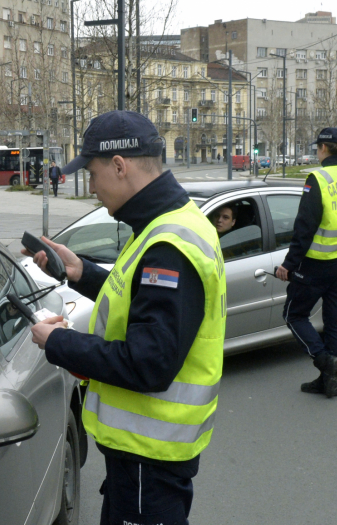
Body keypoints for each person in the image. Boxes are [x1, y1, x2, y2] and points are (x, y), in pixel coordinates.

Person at [25, 110, 226, 525]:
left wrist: (58, 343)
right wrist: (82, 273)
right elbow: (139, 301)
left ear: (119, 166)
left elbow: (148, 362)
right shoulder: (164, 223)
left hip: (149, 459)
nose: (92, 187)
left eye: (93, 174)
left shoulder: (169, 244)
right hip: (141, 459)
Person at [275, 127, 337, 398]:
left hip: (315, 266)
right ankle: (330, 382)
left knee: (293, 315)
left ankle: (324, 361)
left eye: (316, 148)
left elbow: (304, 227)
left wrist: (289, 264)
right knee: (334, 323)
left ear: (322, 149)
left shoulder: (318, 178)